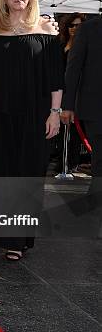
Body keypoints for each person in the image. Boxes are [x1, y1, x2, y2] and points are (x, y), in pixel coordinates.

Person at [0, 0, 62, 261]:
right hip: (0, 116)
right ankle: (8, 237)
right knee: (4, 175)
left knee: (29, 176)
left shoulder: (46, 29)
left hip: (36, 116)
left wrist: (55, 113)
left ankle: (21, 237)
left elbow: (56, 78)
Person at [61, 16, 102, 211]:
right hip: (95, 106)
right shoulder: (87, 29)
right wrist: (68, 105)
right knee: (99, 156)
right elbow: (74, 67)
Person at [53, 13, 86, 173]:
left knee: (74, 133)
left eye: (78, 25)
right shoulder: (59, 45)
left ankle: (71, 164)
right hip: (59, 93)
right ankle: (61, 162)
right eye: (72, 25)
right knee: (59, 132)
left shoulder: (87, 46)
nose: (75, 28)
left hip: (77, 95)